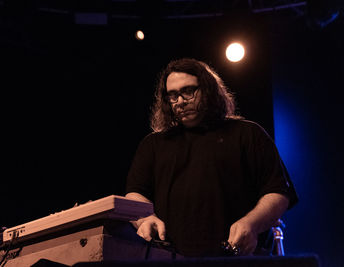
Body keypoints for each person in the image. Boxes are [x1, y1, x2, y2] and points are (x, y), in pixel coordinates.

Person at [125, 58, 298, 257]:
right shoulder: (153, 144)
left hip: (235, 259)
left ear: (208, 89)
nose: (180, 101)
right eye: (172, 96)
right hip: (170, 258)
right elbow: (135, 194)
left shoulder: (248, 134)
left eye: (188, 91)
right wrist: (145, 218)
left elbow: (278, 192)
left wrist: (251, 223)